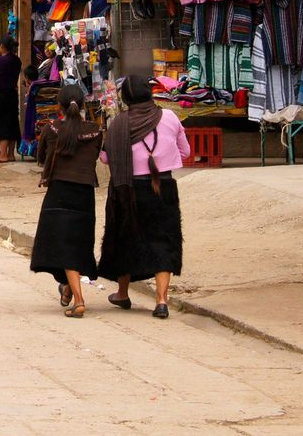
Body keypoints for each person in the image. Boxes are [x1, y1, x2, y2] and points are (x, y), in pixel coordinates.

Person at [98, 75, 189, 320]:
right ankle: (161, 301)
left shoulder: (118, 123)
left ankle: (122, 292)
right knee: (164, 240)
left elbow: (105, 158)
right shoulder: (170, 117)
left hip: (128, 190)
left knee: (127, 238)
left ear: (126, 98)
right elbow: (186, 151)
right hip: (164, 187)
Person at [30, 86, 102, 318]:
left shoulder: (51, 130)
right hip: (84, 194)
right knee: (77, 245)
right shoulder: (96, 131)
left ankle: (79, 300)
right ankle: (68, 287)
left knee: (62, 246)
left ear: (59, 106)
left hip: (59, 192)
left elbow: (41, 159)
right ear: (82, 105)